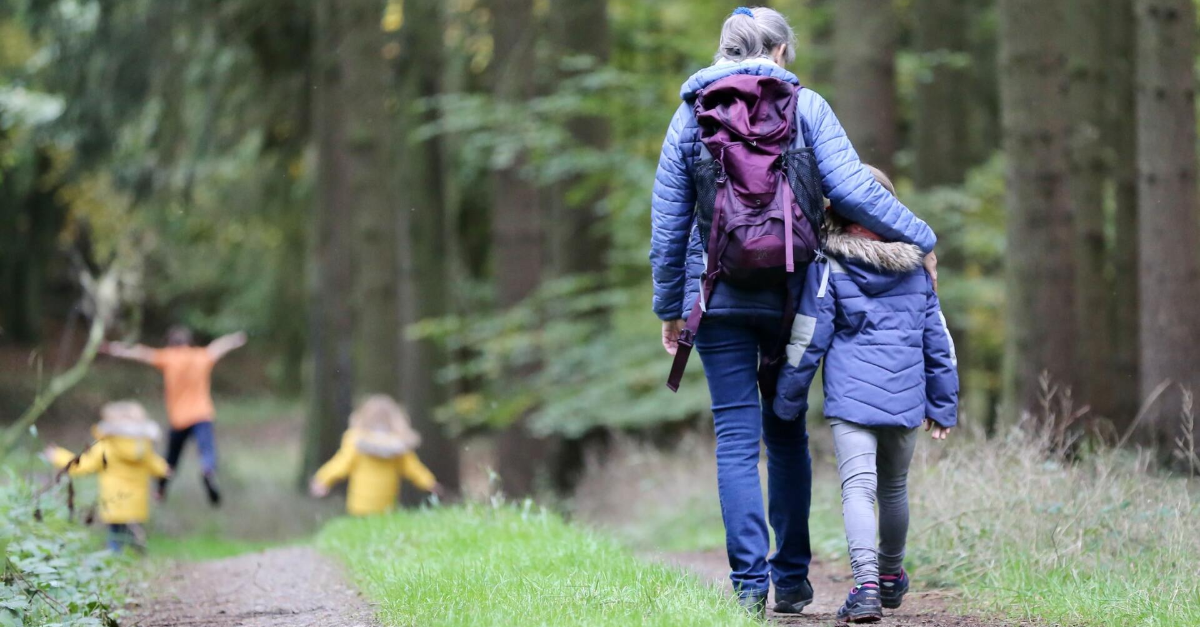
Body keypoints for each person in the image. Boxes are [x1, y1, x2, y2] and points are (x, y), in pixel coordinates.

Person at [649, 7, 939, 617]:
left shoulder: (689, 115)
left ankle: (749, 587)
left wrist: (671, 308)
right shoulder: (808, 107)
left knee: (734, 437)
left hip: (718, 296)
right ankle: (793, 581)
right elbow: (856, 190)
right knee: (785, 433)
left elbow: (669, 223)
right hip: (794, 296)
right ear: (780, 51)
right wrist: (922, 239)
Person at [772, 167, 958, 623]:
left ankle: (867, 587)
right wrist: (943, 404)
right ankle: (892, 576)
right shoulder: (917, 267)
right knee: (894, 488)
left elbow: (808, 336)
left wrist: (787, 398)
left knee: (859, 489)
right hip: (907, 397)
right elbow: (939, 341)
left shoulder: (830, 265)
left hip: (852, 402)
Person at [99, 325, 247, 505]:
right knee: (207, 450)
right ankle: (208, 471)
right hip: (202, 415)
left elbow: (140, 353)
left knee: (171, 458)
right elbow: (218, 347)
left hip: (179, 419)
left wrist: (113, 348)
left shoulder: (168, 358)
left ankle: (161, 490)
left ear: (170, 343)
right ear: (188, 342)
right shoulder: (201, 356)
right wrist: (235, 339)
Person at [44, 401, 171, 552]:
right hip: (137, 503)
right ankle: (136, 552)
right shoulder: (143, 447)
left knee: (115, 535)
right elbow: (156, 465)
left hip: (115, 502)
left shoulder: (107, 446)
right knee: (131, 531)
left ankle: (116, 557)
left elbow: (82, 464)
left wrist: (58, 455)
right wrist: (165, 470)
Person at [309, 395, 443, 516]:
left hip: (359, 504)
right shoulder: (398, 444)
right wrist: (429, 482)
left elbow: (341, 464)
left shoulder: (356, 440)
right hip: (386, 504)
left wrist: (322, 479)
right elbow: (413, 468)